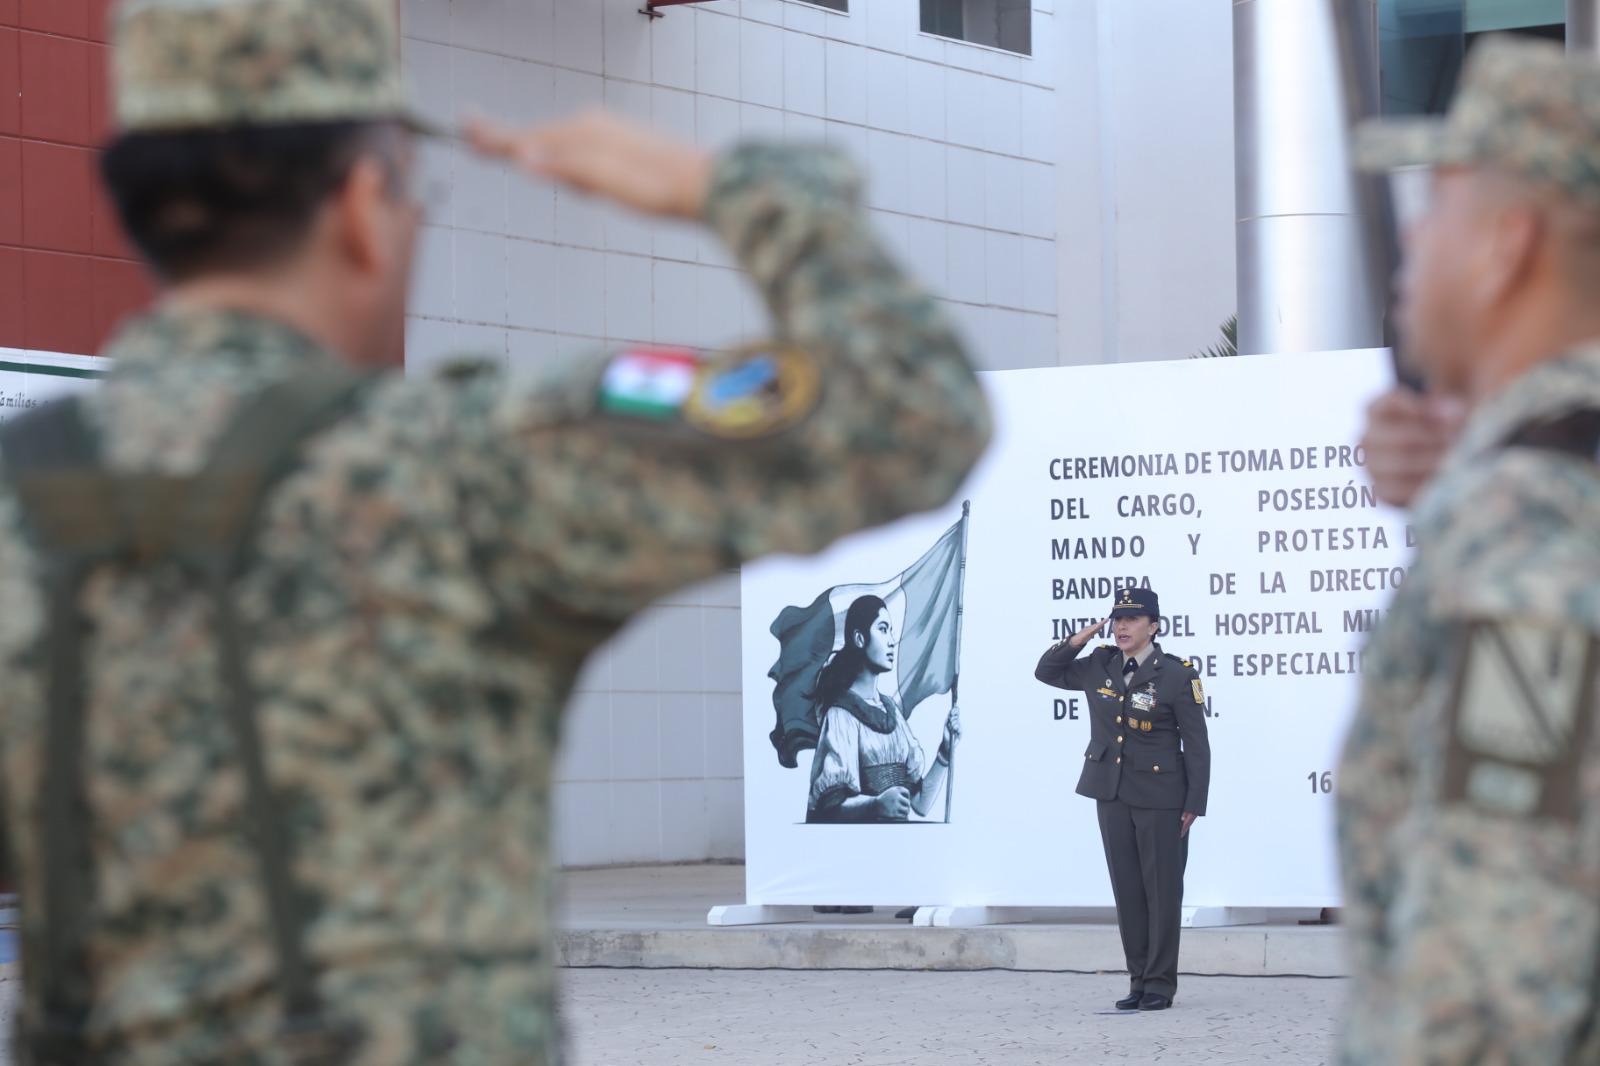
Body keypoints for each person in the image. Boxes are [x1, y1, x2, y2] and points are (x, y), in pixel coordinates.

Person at [0, 0, 992, 1061]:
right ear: (363, 202)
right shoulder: (474, 463)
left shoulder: (24, 502)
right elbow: (911, 414)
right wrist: (734, 190)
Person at [1338, 35, 1600, 1064]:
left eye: (1436, 202)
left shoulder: (1524, 525)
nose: (1412, 246)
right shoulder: (1540, 487)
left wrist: (1493, 492)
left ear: (1504, 245)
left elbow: (1492, 988)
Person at [1033, 587, 1209, 1012]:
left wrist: (1194, 802)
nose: (1122, 626)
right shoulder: (1100, 663)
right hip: (1110, 791)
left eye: (1132, 619)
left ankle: (1161, 985)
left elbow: (1196, 744)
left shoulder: (1177, 674)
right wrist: (1079, 639)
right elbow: (1046, 672)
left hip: (1162, 796)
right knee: (1128, 890)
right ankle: (1138, 980)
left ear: (1154, 626)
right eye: (1117, 619)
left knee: (1162, 891)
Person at [805, 595, 961, 823]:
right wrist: (875, 805)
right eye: (883, 629)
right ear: (859, 638)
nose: (891, 641)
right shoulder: (841, 715)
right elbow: (828, 808)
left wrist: (945, 752)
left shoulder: (892, 712)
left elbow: (920, 804)